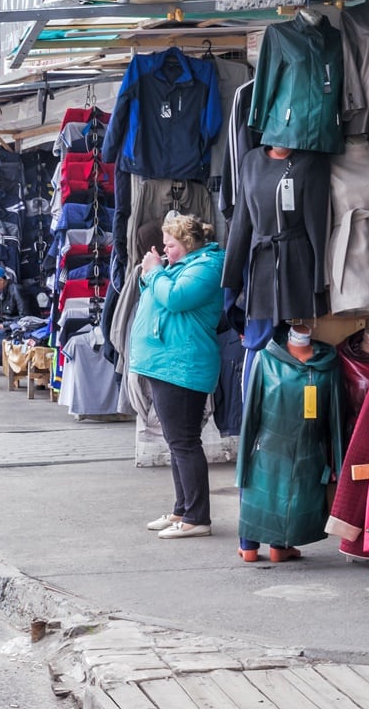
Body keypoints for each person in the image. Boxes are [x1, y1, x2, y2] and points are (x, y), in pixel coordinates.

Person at [128, 214, 226, 540]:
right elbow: (158, 295)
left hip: (182, 366)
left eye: (170, 245)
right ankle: (182, 510)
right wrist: (151, 275)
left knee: (184, 442)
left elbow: (175, 298)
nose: (165, 250)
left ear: (187, 244)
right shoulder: (181, 266)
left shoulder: (206, 267)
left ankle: (198, 517)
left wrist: (155, 271)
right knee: (176, 443)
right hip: (166, 363)